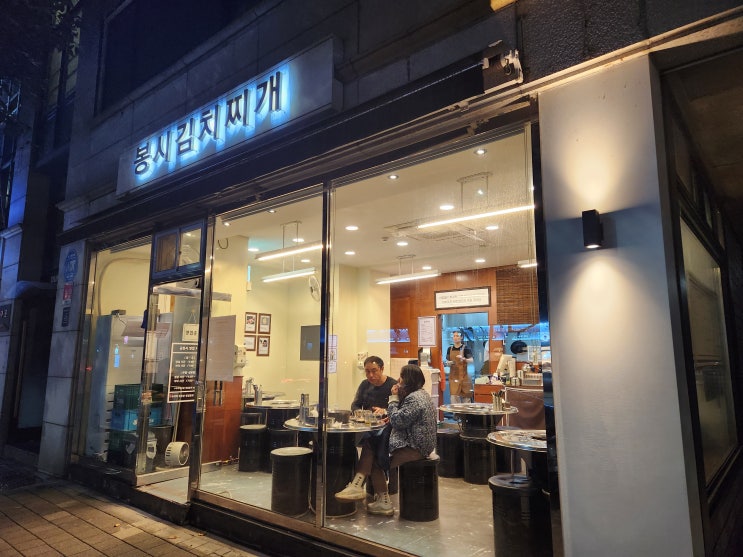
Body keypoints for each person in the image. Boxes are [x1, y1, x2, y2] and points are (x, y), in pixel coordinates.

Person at [336, 364, 437, 516]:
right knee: (371, 442)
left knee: (375, 457)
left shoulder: (414, 398)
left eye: (401, 376)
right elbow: (405, 418)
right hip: (418, 442)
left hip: (416, 447)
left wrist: (393, 399)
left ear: (408, 379)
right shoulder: (421, 394)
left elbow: (398, 421)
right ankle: (363, 488)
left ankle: (366, 490)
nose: (398, 379)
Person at [445, 330, 474, 403]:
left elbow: (471, 360)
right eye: (454, 336)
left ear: (461, 337)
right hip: (454, 377)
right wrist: (448, 363)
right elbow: (447, 361)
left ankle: (466, 411)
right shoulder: (449, 349)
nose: (455, 337)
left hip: (464, 377)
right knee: (454, 398)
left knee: (466, 398)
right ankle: (455, 411)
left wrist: (464, 359)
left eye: (457, 336)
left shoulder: (466, 348)